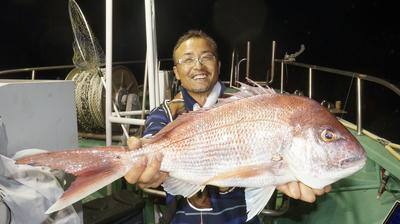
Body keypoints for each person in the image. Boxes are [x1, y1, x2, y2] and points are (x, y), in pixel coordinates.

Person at [124, 30, 331, 223]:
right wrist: (144, 167)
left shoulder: (245, 106)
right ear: (176, 72)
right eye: (188, 59)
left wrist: (289, 170)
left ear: (219, 65)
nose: (198, 65)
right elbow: (150, 144)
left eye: (206, 57)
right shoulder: (164, 114)